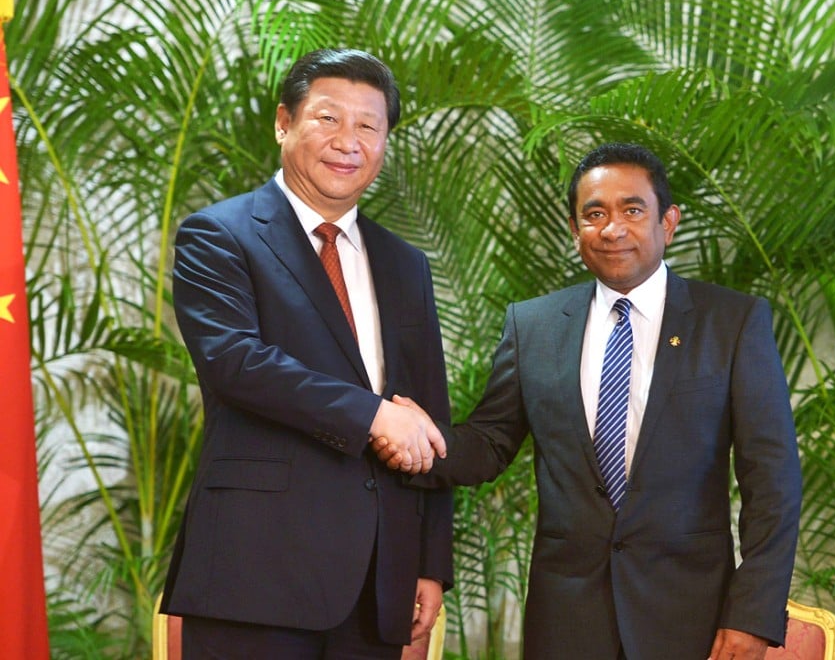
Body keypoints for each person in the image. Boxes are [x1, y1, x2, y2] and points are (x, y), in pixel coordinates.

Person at [377, 142, 802, 659]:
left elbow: (772, 483)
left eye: (632, 210)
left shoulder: (732, 322)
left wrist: (752, 615)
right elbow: (490, 443)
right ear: (576, 231)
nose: (612, 228)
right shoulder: (532, 325)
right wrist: (420, 438)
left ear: (667, 222)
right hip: (567, 618)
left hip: (692, 617)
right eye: (594, 214)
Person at [162, 47, 453, 659]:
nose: (348, 140)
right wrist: (374, 415)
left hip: (379, 583)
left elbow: (428, 414)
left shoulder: (406, 265)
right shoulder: (220, 235)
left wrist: (430, 562)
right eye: (328, 118)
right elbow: (237, 362)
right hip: (255, 574)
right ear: (283, 122)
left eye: (369, 126)